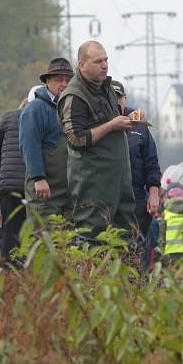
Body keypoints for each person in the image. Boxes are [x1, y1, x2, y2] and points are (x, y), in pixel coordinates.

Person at [57, 41, 135, 237]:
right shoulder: (74, 96)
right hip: (93, 185)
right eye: (98, 61)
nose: (105, 65)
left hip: (118, 182)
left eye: (106, 60)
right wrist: (112, 126)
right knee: (91, 237)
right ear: (81, 64)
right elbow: (75, 138)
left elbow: (110, 127)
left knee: (125, 238)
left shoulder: (106, 87)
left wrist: (125, 123)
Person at [19, 58, 74, 220]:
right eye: (58, 80)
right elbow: (29, 145)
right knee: (43, 238)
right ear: (47, 82)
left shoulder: (71, 108)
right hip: (44, 191)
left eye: (68, 80)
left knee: (67, 242)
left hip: (68, 194)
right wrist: (38, 178)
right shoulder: (35, 108)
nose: (64, 84)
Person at [111, 80, 161, 240]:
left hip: (137, 195)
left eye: (119, 97)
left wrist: (153, 193)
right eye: (112, 97)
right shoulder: (99, 124)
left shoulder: (139, 125)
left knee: (136, 244)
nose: (116, 101)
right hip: (109, 196)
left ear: (125, 98)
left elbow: (151, 162)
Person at [0, 101, 27, 266]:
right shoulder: (53, 115)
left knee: (9, 238)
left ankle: (6, 284)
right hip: (41, 187)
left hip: (10, 186)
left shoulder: (9, 117)